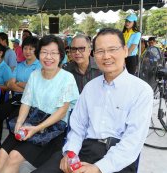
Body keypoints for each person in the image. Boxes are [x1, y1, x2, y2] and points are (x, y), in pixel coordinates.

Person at [33, 28, 153, 173]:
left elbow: (132, 142)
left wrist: (98, 168)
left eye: (112, 49)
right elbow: (78, 126)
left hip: (118, 158)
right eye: (100, 51)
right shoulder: (90, 88)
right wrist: (70, 153)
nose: (106, 56)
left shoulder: (141, 91)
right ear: (94, 55)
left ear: (125, 51)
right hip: (85, 149)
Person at [0, 34, 79, 173]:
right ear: (39, 54)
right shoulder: (35, 75)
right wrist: (20, 122)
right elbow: (26, 102)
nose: (48, 57)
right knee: (2, 154)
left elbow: (62, 112)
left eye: (53, 53)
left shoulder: (67, 78)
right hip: (32, 120)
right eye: (44, 52)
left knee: (14, 156)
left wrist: (37, 128)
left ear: (61, 55)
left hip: (53, 127)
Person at [0, 36, 42, 151]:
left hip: (33, 102)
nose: (28, 51)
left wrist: (19, 83)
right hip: (18, 98)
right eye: (25, 48)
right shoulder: (19, 65)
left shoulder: (40, 66)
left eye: (31, 49)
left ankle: (14, 147)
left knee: (15, 118)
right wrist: (24, 85)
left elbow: (36, 87)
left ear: (36, 50)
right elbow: (10, 84)